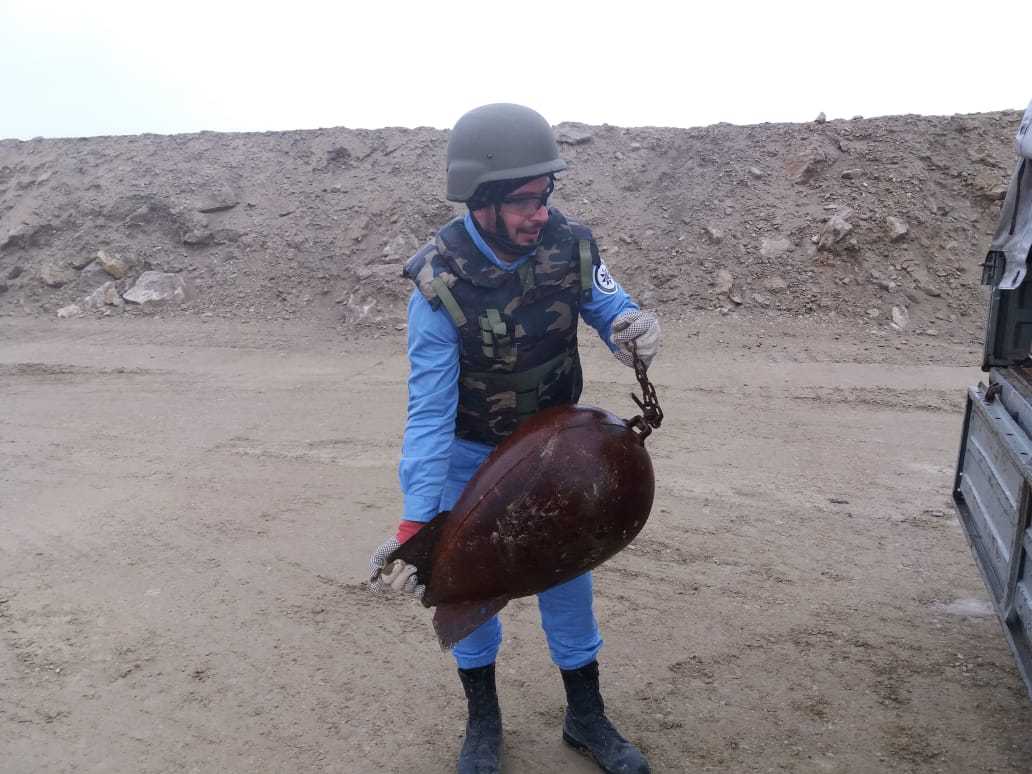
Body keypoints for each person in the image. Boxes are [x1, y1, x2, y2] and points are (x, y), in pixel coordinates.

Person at [368, 103, 660, 774]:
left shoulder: (571, 245)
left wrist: (633, 326)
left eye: (544, 194)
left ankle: (585, 716)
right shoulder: (438, 284)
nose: (540, 212)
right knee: (464, 589)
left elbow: (610, 307)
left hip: (556, 455)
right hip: (471, 457)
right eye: (524, 200)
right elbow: (429, 412)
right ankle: (483, 722)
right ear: (483, 200)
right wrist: (418, 522)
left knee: (568, 583)